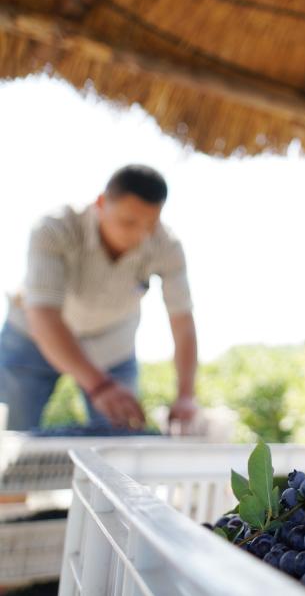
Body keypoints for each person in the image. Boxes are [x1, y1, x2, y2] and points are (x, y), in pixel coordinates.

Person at [0, 165, 198, 431]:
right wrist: (100, 385)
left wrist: (186, 396)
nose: (140, 236)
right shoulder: (54, 228)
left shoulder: (167, 246)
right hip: (33, 338)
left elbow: (182, 321)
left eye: (150, 224)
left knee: (122, 438)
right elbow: (44, 314)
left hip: (112, 346)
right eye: (128, 222)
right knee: (14, 434)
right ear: (102, 203)